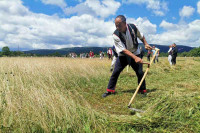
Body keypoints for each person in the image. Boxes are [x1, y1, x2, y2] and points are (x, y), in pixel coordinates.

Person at [102, 15, 152, 97]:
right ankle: (110, 90)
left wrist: (145, 43)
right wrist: (135, 58)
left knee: (140, 72)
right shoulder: (115, 35)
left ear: (125, 23)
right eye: (116, 25)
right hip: (123, 55)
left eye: (119, 25)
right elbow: (123, 50)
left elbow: (141, 36)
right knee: (116, 72)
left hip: (135, 52)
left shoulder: (133, 27)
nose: (117, 27)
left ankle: (142, 90)